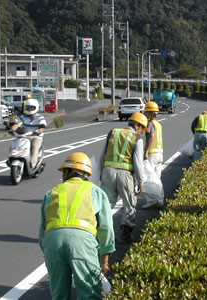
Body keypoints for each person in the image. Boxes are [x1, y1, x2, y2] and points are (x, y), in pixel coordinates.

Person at [39, 152, 115, 299]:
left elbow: (43, 230)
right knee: (89, 292)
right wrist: (105, 258)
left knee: (59, 294)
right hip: (82, 242)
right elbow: (106, 229)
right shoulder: (96, 192)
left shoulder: (51, 192)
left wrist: (48, 252)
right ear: (86, 174)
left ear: (67, 172)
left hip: (53, 241)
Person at [100, 112, 147, 243]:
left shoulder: (113, 132)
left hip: (108, 171)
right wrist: (141, 181)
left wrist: (101, 173)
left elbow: (102, 155)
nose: (142, 131)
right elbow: (138, 162)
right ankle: (125, 235)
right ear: (136, 124)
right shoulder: (137, 139)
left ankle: (102, 234)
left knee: (106, 204)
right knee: (129, 204)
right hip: (125, 174)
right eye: (142, 128)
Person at [10, 98, 46, 169]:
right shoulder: (22, 117)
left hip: (36, 136)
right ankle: (12, 158)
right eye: (28, 107)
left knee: (35, 147)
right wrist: (12, 130)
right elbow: (17, 124)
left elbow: (42, 126)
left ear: (36, 107)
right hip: (24, 136)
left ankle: (33, 164)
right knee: (15, 145)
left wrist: (38, 131)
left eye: (32, 107)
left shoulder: (40, 117)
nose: (30, 109)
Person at [143, 101, 163, 178]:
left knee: (149, 176)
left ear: (150, 113)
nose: (145, 114)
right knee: (157, 178)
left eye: (146, 112)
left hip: (152, 154)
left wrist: (146, 152)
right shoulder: (158, 124)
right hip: (160, 153)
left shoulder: (150, 124)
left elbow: (151, 137)